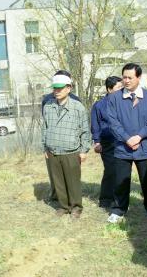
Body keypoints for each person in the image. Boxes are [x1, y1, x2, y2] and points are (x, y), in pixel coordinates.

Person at [106, 63, 147, 223]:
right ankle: (118, 210)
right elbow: (113, 122)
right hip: (122, 147)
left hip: (143, 146)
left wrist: (138, 137)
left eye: (130, 77)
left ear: (138, 77)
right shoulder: (114, 98)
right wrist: (127, 138)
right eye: (124, 77)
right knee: (121, 181)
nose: (126, 80)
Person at [42, 74, 91, 218]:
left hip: (71, 152)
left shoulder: (77, 107)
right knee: (58, 182)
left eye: (60, 88)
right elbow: (44, 128)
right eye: (55, 88)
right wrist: (44, 147)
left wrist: (84, 150)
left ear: (69, 88)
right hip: (52, 152)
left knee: (73, 182)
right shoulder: (48, 106)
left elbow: (85, 130)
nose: (56, 91)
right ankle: (63, 206)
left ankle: (76, 207)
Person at [91, 76, 123, 208]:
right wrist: (97, 141)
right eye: (119, 88)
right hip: (107, 142)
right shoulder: (99, 105)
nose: (122, 90)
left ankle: (119, 198)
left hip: (122, 141)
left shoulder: (124, 102)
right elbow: (95, 125)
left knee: (120, 170)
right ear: (109, 89)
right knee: (110, 170)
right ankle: (105, 199)